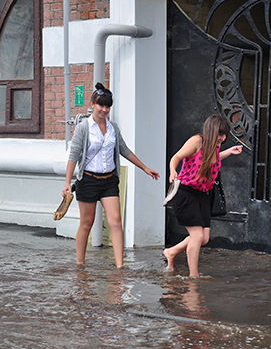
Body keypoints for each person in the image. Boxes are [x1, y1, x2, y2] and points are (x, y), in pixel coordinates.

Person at [62, 82, 159, 268]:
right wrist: (67, 183)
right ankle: (80, 264)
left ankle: (120, 266)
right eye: (101, 105)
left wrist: (144, 168)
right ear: (92, 104)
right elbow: (73, 155)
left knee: (116, 222)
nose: (104, 109)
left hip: (109, 181)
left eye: (107, 106)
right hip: (88, 180)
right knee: (86, 223)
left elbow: (124, 150)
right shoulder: (84, 127)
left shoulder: (113, 127)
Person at [163, 115, 243, 277]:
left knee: (203, 238)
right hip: (186, 193)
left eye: (224, 134)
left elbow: (211, 160)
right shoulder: (197, 141)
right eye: (220, 134)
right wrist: (173, 170)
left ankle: (171, 252)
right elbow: (176, 157)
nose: (223, 138)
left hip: (203, 195)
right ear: (211, 131)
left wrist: (228, 151)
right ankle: (194, 276)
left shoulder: (215, 146)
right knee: (197, 236)